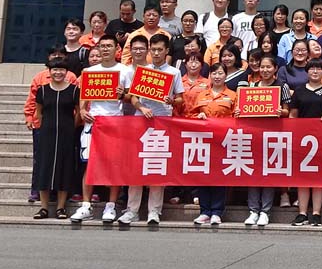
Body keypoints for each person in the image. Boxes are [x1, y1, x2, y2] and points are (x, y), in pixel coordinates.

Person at [119, 34, 184, 225]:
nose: (156, 53)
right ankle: (132, 210)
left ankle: (154, 210)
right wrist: (141, 108)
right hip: (141, 121)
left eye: (159, 50)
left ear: (166, 51)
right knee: (136, 166)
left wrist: (172, 100)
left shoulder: (174, 72)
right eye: (153, 50)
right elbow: (132, 97)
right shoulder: (143, 71)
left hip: (163, 122)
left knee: (157, 166)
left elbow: (181, 98)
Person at [72, 34, 127, 223]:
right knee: (89, 164)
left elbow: (132, 97)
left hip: (115, 122)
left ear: (117, 49)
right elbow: (84, 95)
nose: (105, 49)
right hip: (94, 122)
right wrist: (82, 110)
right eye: (102, 46)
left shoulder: (125, 70)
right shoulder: (89, 71)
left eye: (109, 46)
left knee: (114, 165)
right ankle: (86, 205)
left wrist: (123, 95)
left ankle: (111, 206)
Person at [239, 54, 291, 227]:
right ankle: (253, 210)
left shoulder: (282, 86)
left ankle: (265, 211)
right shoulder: (252, 86)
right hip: (255, 135)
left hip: (274, 135)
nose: (265, 70)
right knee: (253, 173)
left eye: (269, 67)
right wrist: (240, 112)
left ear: (275, 68)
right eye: (262, 67)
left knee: (268, 173)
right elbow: (245, 110)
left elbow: (287, 111)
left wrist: (280, 112)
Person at [32, 55, 80, 220]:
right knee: (44, 168)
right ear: (49, 71)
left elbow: (78, 112)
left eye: (61, 69)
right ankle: (44, 208)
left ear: (66, 72)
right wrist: (44, 126)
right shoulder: (42, 90)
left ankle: (60, 207)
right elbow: (39, 112)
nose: (58, 72)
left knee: (64, 167)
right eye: (55, 69)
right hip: (47, 133)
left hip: (67, 133)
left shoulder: (73, 90)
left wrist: (71, 127)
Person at [190, 62, 237, 226]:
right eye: (214, 73)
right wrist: (198, 118)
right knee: (203, 175)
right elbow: (191, 116)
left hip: (223, 141)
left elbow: (237, 118)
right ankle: (204, 211)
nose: (217, 76)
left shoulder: (233, 95)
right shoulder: (202, 95)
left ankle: (217, 211)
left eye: (220, 73)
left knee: (219, 175)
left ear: (226, 75)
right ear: (210, 75)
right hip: (204, 140)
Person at [289, 58, 322, 226]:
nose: (315, 72)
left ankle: (316, 213)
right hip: (302, 140)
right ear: (307, 72)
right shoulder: (299, 91)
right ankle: (302, 213)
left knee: (319, 177)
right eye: (312, 69)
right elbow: (293, 115)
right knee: (303, 177)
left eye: (319, 69)